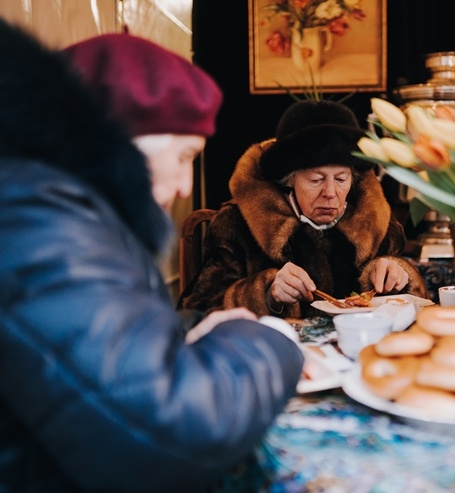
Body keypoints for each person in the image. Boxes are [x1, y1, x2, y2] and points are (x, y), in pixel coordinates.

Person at [0, 20, 303, 493]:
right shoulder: (38, 222)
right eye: (183, 156)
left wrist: (186, 332)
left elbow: (90, 339)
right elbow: (177, 433)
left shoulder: (52, 206)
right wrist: (271, 339)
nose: (186, 185)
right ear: (127, 137)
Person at [178, 99, 429, 318]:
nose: (330, 192)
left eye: (341, 179)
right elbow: (196, 309)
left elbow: (413, 305)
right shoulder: (238, 224)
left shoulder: (376, 223)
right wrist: (266, 293)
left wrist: (398, 278)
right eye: (316, 180)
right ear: (290, 180)